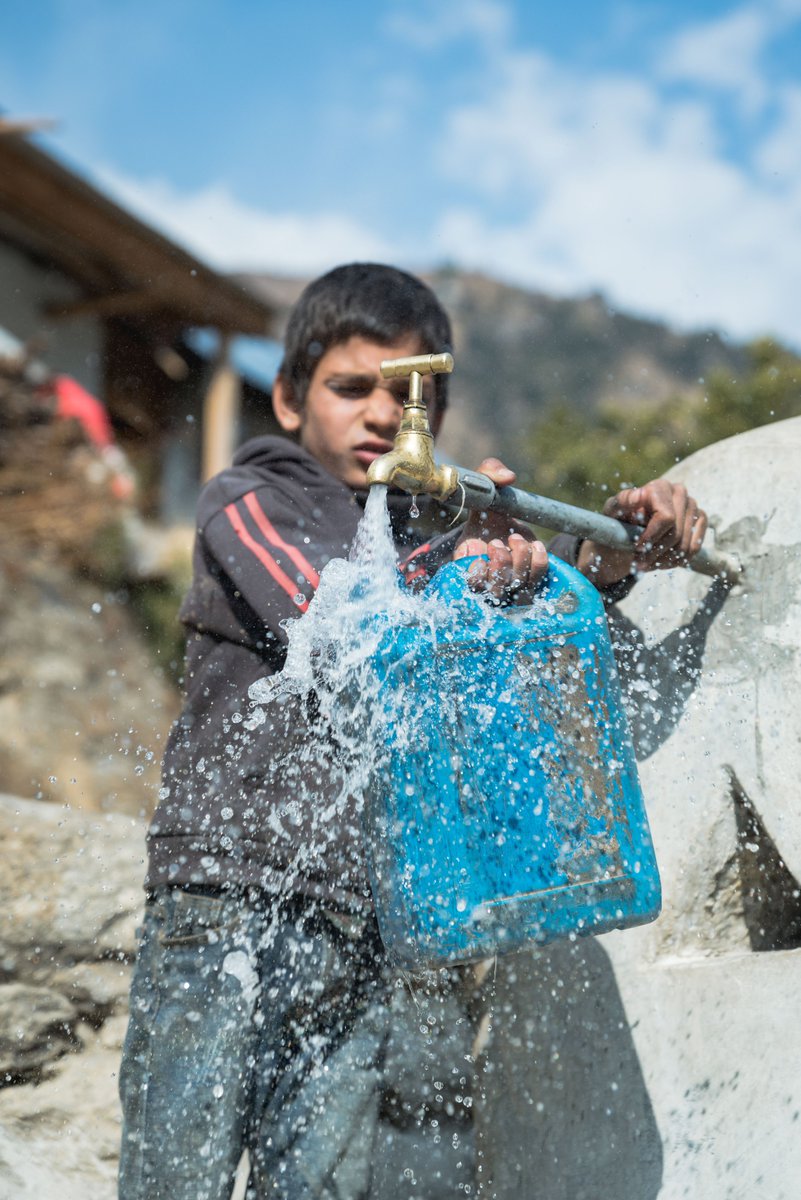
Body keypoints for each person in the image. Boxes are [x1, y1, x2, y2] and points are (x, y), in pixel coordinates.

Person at [118, 262, 706, 1200]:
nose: (383, 417)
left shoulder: (425, 525)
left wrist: (603, 552)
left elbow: (511, 632)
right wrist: (465, 564)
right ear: (286, 396)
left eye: (410, 395)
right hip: (222, 901)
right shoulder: (249, 501)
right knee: (173, 1176)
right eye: (352, 388)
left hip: (365, 922)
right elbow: (336, 620)